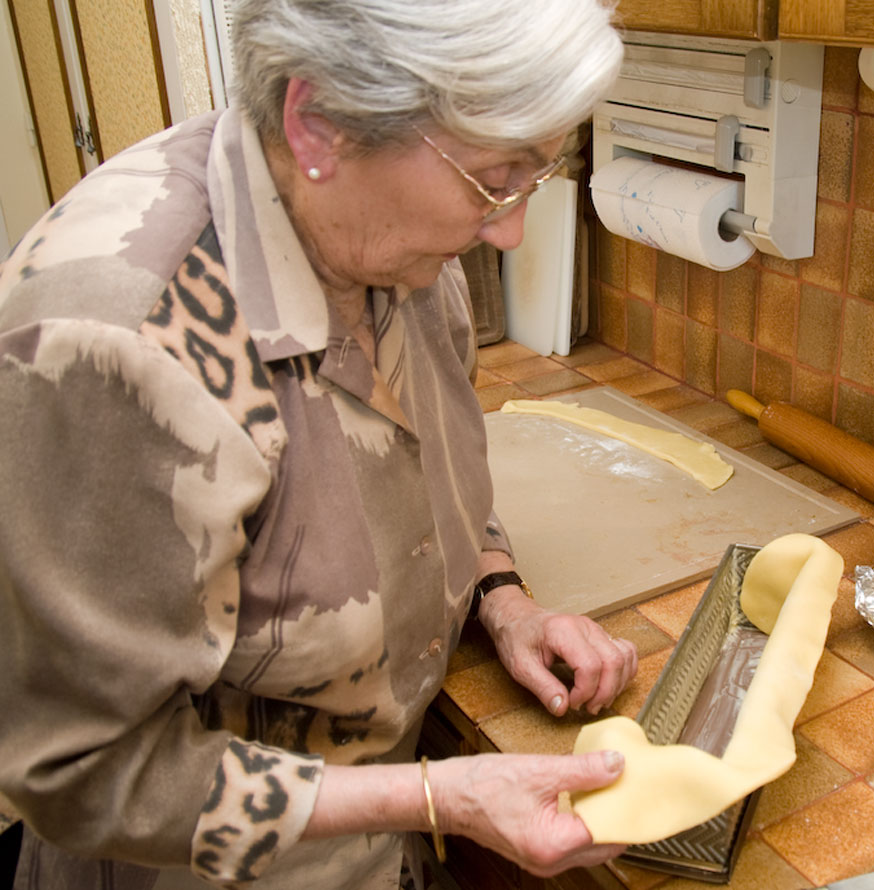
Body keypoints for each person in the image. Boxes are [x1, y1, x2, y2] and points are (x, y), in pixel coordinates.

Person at [0, 0, 638, 887]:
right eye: (495, 179)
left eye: (537, 174)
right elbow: (79, 770)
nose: (510, 229)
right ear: (318, 125)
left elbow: (435, 481)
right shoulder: (116, 344)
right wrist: (439, 798)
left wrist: (503, 599)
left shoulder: (404, 253)